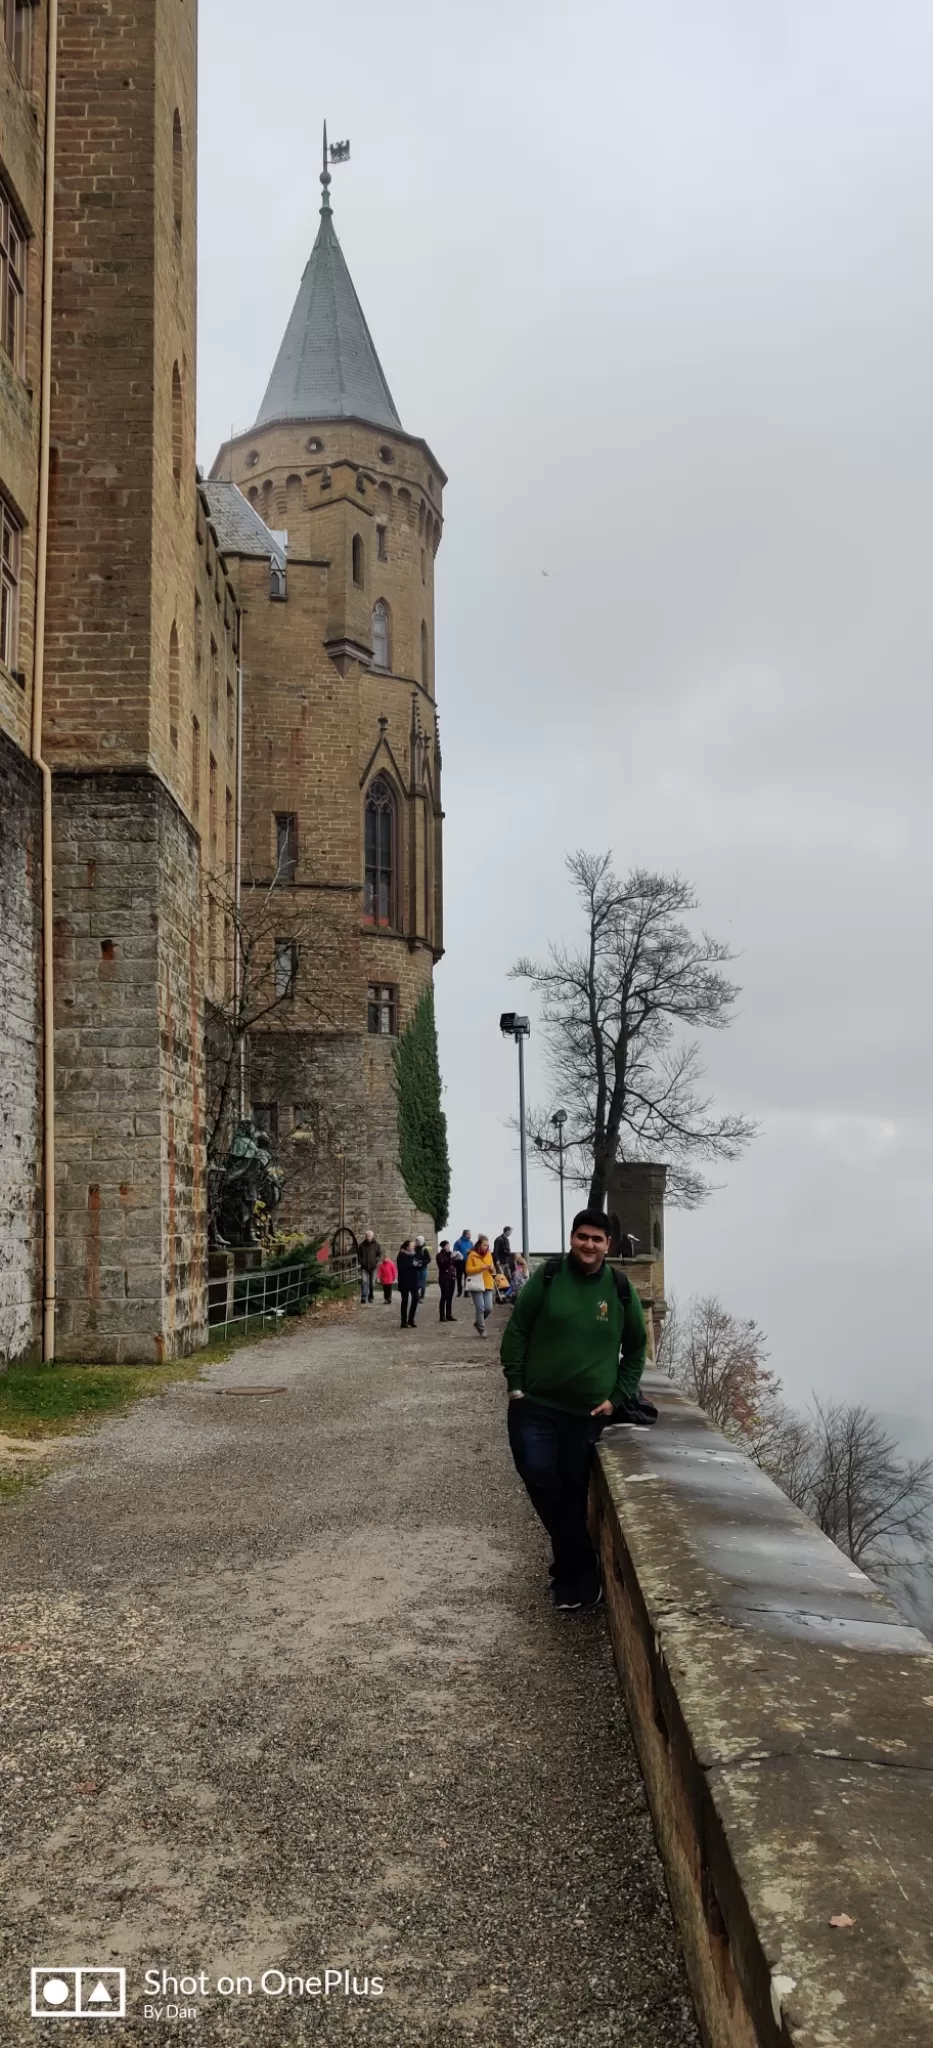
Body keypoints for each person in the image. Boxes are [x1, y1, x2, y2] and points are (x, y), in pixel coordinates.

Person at [500, 1207, 648, 1612]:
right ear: (571, 1238)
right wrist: (515, 1384)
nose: (589, 1244)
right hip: (536, 1406)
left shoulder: (619, 1288)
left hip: (587, 1414)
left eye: (597, 1239)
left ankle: (570, 1577)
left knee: (569, 1492)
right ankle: (584, 1561)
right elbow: (517, 1330)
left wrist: (617, 1397)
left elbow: (636, 1349)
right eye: (583, 1236)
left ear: (608, 1245)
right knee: (536, 1473)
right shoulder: (547, 1278)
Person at [464, 1234, 495, 1337]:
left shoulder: (489, 1255)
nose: (487, 1247)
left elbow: (493, 1269)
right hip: (476, 1283)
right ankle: (482, 1329)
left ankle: (478, 1322)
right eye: (485, 1245)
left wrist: (490, 1269)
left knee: (489, 1308)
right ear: (479, 1245)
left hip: (487, 1283)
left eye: (487, 1245)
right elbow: (468, 1270)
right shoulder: (472, 1255)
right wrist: (481, 1267)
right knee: (480, 1307)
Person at [397, 1240, 420, 1329]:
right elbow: (402, 1268)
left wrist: (418, 1265)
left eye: (413, 1246)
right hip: (404, 1280)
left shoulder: (415, 1254)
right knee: (405, 1300)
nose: (413, 1247)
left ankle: (411, 1319)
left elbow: (419, 1264)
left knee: (416, 1298)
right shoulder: (401, 1255)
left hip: (413, 1280)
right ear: (407, 1247)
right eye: (411, 1246)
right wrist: (412, 1265)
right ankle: (403, 1321)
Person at [358, 1229, 381, 1305]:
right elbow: (359, 1255)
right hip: (364, 1267)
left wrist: (376, 1261)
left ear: (372, 1236)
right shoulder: (362, 1245)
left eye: (369, 1236)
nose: (368, 1237)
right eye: (367, 1236)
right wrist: (361, 1262)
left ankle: (371, 1297)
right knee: (364, 1281)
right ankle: (363, 1297)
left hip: (373, 1267)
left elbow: (379, 1254)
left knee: (371, 1283)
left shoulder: (377, 1245)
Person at [436, 1241, 457, 1322]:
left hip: (452, 1277)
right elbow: (443, 1265)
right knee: (444, 1296)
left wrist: (457, 1258)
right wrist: (451, 1258)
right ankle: (442, 1316)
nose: (448, 1247)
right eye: (447, 1246)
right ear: (443, 1247)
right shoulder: (439, 1255)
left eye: (449, 1245)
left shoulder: (451, 1254)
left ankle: (449, 1315)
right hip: (444, 1278)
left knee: (450, 1297)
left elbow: (455, 1264)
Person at [452, 1229, 473, 1297]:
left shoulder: (470, 1242)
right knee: (459, 1277)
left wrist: (470, 1251)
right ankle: (459, 1291)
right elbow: (454, 1251)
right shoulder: (458, 1242)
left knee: (468, 1278)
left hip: (468, 1262)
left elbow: (473, 1251)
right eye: (469, 1234)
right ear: (465, 1234)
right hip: (460, 1262)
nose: (470, 1235)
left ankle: (466, 1292)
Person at [414, 1236, 432, 1303]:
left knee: (422, 1283)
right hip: (416, 1268)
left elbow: (429, 1259)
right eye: (416, 1241)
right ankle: (417, 1297)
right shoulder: (414, 1248)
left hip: (423, 1268)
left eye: (417, 1241)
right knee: (417, 1283)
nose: (416, 1242)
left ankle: (421, 1297)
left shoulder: (424, 1249)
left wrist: (422, 1262)